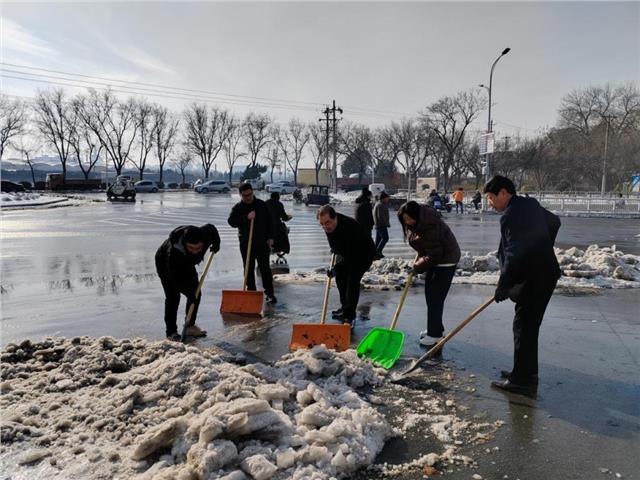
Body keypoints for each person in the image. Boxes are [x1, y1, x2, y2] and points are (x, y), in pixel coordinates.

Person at [484, 175, 561, 397]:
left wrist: (503, 286)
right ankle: (527, 373)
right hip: (543, 275)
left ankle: (521, 382)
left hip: (534, 279)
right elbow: (555, 221)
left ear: (504, 193)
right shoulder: (529, 204)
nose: (490, 202)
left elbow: (514, 254)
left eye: (491, 197)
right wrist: (542, 248)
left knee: (523, 327)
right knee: (528, 327)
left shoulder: (511, 214)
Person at [397, 201, 461, 354]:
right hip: (436, 260)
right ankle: (435, 328)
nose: (407, 222)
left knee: (435, 298)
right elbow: (427, 248)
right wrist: (421, 255)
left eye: (408, 219)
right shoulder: (420, 224)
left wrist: (418, 267)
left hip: (445, 261)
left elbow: (435, 254)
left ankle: (435, 335)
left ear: (417, 216)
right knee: (431, 295)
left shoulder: (429, 226)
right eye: (404, 220)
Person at [155, 224, 221, 341]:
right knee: (173, 296)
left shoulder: (205, 234)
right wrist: (187, 290)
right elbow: (175, 279)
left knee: (196, 293)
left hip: (187, 263)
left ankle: (190, 326)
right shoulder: (174, 251)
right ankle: (171, 332)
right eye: (191, 248)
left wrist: (217, 243)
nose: (195, 252)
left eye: (199, 248)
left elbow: (212, 228)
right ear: (185, 243)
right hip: (165, 263)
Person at [317, 205, 376, 324]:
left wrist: (336, 268)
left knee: (352, 280)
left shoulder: (349, 227)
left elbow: (352, 256)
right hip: (348, 253)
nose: (325, 227)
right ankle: (344, 307)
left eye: (327, 223)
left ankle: (349, 315)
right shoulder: (329, 226)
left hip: (363, 254)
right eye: (322, 224)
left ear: (335, 218)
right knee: (340, 279)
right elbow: (334, 243)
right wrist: (335, 249)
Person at [228, 183, 277, 304]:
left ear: (252, 192)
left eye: (249, 194)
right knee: (248, 268)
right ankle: (251, 293)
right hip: (246, 242)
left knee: (265, 268)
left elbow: (270, 221)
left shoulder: (261, 205)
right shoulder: (238, 208)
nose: (248, 197)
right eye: (245, 196)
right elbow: (231, 221)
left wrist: (271, 237)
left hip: (262, 242)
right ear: (241, 195)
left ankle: (270, 293)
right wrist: (246, 217)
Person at [265, 191, 292, 256]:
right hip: (276, 225)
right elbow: (284, 217)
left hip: (265, 225)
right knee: (284, 231)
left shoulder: (265, 203)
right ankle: (281, 248)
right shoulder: (279, 204)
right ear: (278, 198)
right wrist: (290, 217)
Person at [373, 191, 391, 259]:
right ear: (383, 198)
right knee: (385, 238)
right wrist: (386, 224)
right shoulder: (380, 205)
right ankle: (378, 252)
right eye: (387, 198)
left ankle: (374, 253)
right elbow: (381, 216)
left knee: (378, 240)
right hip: (381, 225)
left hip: (378, 225)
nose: (388, 199)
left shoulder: (379, 204)